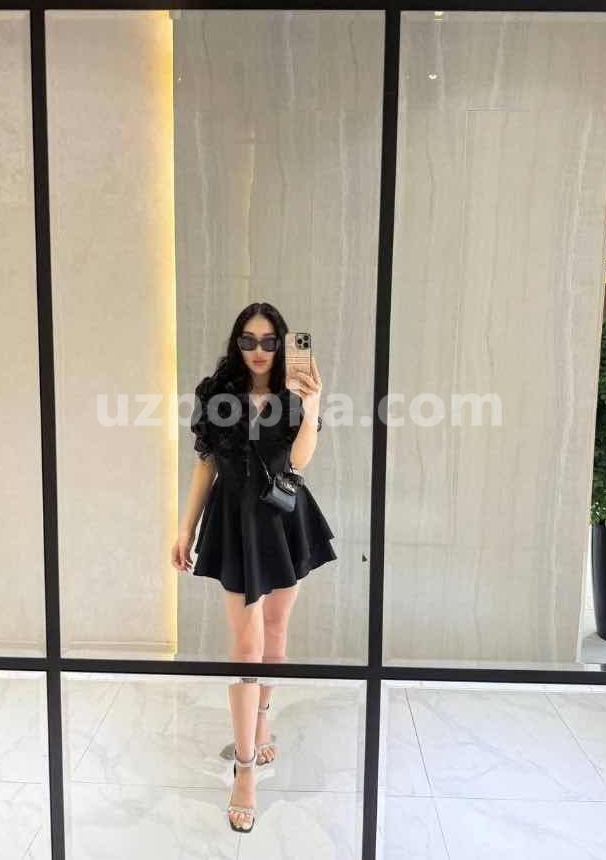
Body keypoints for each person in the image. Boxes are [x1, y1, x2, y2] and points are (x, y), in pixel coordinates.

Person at [170, 301, 337, 833]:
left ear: (282, 343)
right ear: (236, 343)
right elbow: (205, 465)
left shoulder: (294, 394)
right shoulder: (215, 394)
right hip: (234, 520)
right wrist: (185, 528)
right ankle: (244, 770)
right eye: (248, 340)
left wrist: (312, 405)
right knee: (246, 645)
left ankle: (262, 723)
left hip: (283, 518)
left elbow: (298, 462)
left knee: (276, 629)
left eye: (269, 341)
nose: (259, 351)